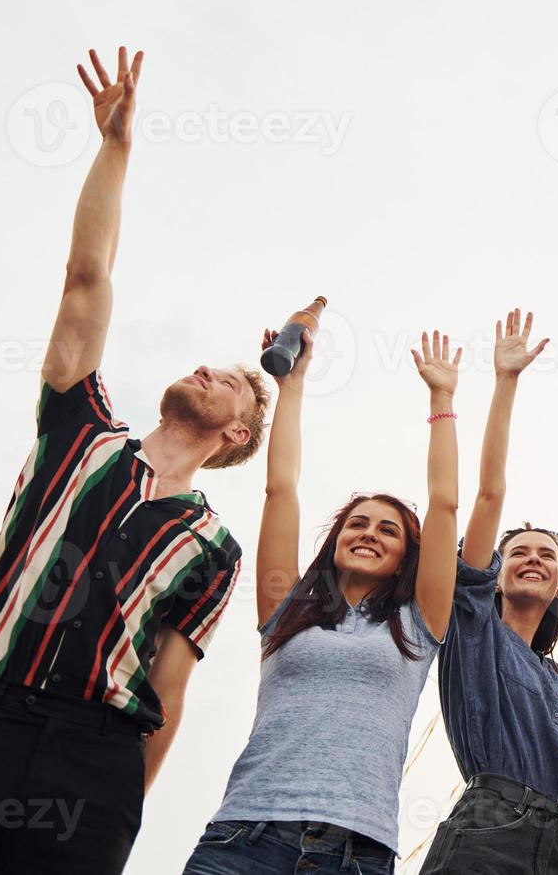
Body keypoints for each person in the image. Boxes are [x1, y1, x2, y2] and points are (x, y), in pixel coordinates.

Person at [0, 48, 268, 875]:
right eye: (204, 362)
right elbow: (85, 277)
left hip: (95, 759)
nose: (207, 368)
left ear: (239, 436)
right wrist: (116, 149)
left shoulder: (214, 546)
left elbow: (170, 694)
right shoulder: (81, 429)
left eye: (230, 383)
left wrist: (116, 811)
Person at [181, 325, 461, 874]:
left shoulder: (419, 621)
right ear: (334, 542)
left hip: (355, 850)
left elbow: (445, 504)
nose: (370, 533)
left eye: (388, 530)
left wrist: (441, 400)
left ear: (408, 556)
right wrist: (293, 385)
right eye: (358, 523)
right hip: (243, 836)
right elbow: (280, 488)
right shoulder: (287, 611)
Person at [421, 311, 558, 875]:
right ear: (496, 571)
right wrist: (506, 383)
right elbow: (488, 495)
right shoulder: (472, 623)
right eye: (519, 551)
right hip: (490, 828)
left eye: (548, 555)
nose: (532, 558)